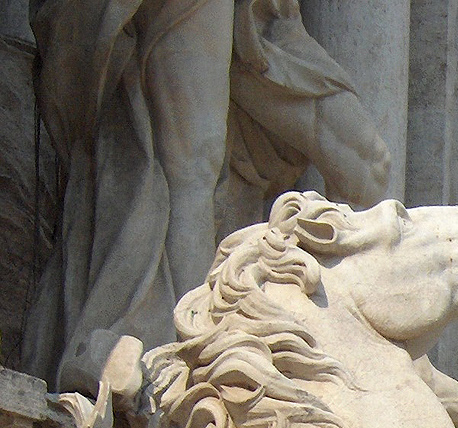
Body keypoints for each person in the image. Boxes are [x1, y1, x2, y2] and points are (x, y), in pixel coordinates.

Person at [26, 0, 387, 395]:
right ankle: (184, 362)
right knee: (192, 171)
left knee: (370, 168)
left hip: (266, 20)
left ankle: (351, 352)